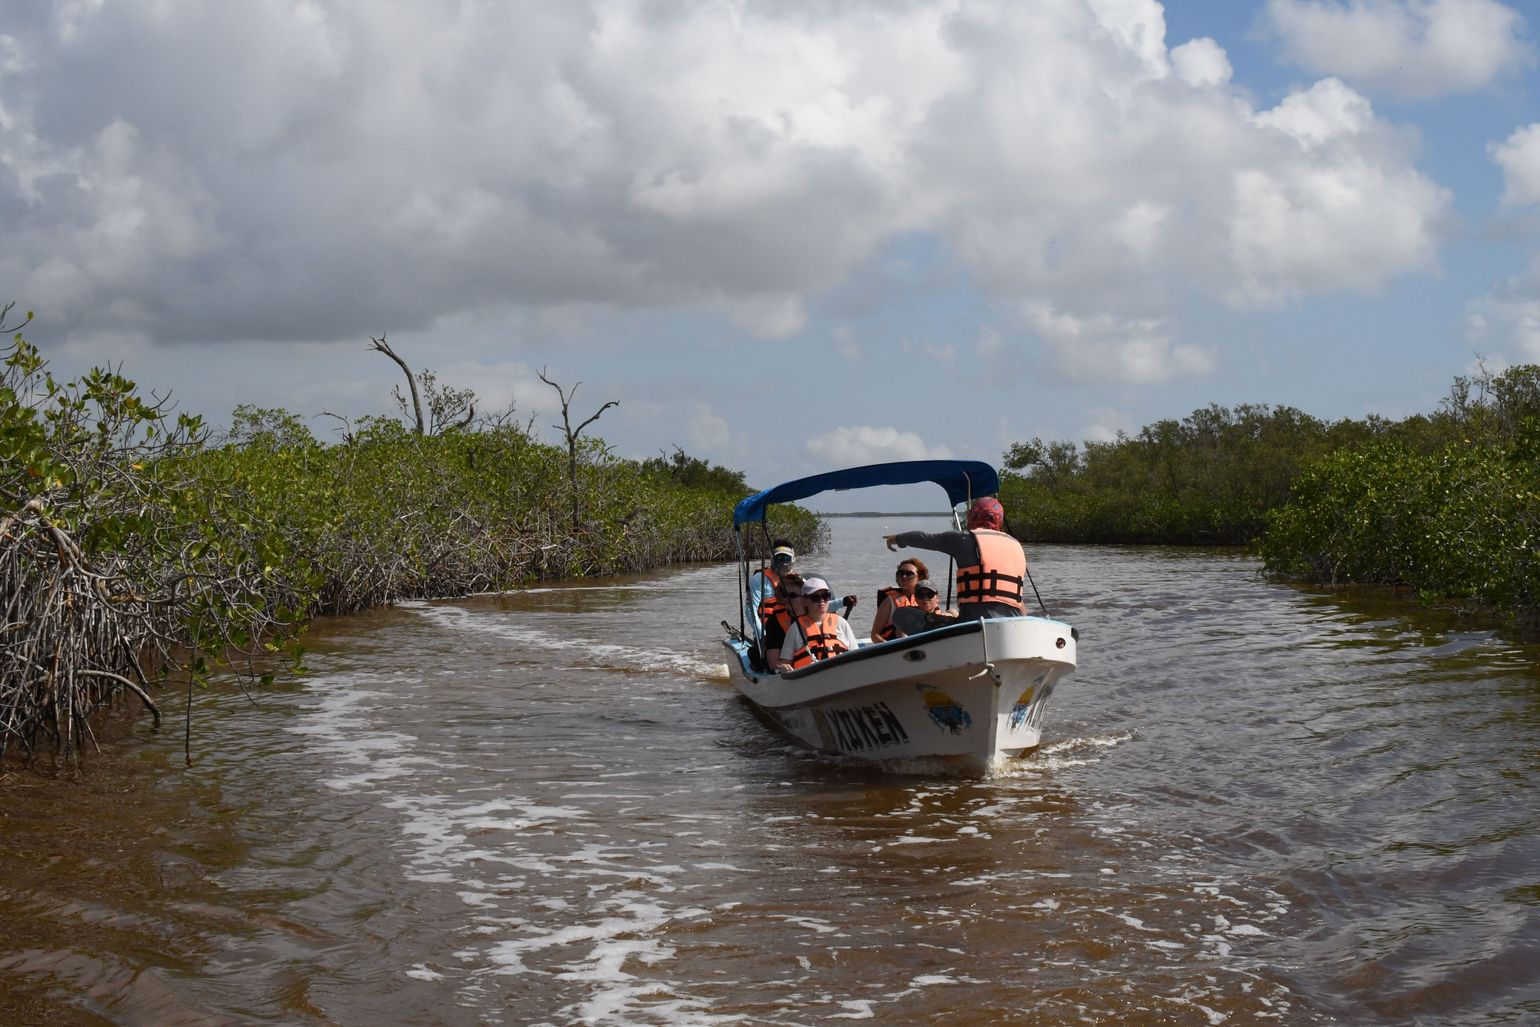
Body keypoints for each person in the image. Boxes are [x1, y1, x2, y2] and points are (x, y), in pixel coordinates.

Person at [882, 497, 1028, 621]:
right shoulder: (1016, 545)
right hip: (1012, 623)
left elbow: (926, 539)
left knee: (901, 615)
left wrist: (898, 539)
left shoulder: (963, 539)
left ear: (973, 516)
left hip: (973, 623)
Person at [770, 577, 859, 672]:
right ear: (804, 601)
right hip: (809, 679)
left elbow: (856, 655)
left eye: (825, 596)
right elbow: (785, 662)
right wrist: (785, 667)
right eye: (815, 597)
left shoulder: (841, 623)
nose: (822, 601)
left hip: (842, 674)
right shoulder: (795, 629)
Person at [869, 557, 929, 642]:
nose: (904, 577)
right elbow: (874, 635)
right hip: (896, 646)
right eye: (901, 573)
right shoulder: (890, 601)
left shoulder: (927, 598)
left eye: (909, 574)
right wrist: (891, 648)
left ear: (919, 577)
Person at [747, 541, 796, 636]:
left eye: (786, 558)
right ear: (772, 559)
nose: (782, 562)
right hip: (767, 631)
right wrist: (762, 634)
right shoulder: (759, 579)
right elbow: (750, 609)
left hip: (791, 632)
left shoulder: (798, 580)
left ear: (793, 560)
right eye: (779, 558)